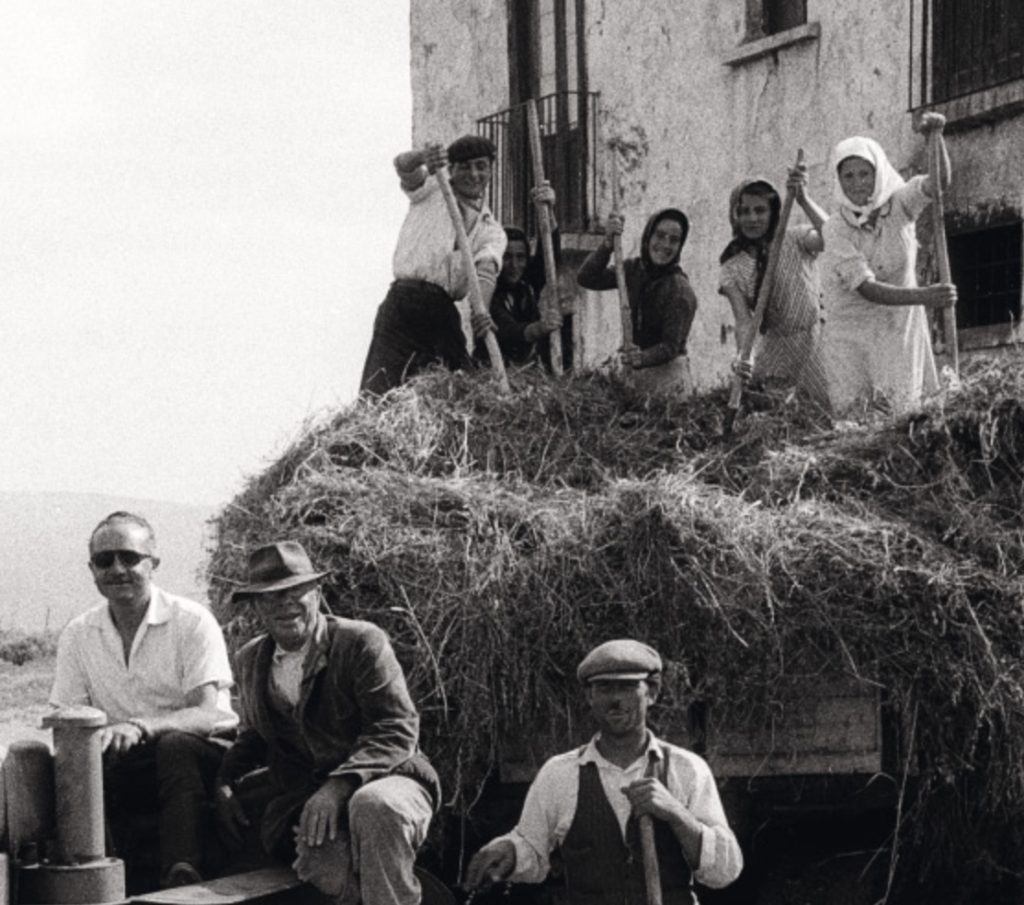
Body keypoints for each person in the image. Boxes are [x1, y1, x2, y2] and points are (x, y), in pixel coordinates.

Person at [214, 540, 440, 905]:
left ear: (316, 593)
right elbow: (255, 734)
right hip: (308, 793)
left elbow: (395, 726)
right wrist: (224, 780)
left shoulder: (360, 641)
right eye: (272, 596)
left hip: (389, 777)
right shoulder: (250, 659)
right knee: (324, 866)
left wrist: (338, 786)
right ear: (256, 606)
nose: (286, 604)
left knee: (374, 806)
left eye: (296, 591)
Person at [464, 639, 743, 905]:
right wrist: (508, 852)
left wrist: (676, 814)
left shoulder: (687, 770)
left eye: (627, 687)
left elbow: (724, 873)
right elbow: (531, 847)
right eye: (605, 688)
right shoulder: (560, 774)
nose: (615, 700)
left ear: (653, 692)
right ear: (589, 696)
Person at [50, 511, 238, 889]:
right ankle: (88, 875)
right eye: (105, 560)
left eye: (129, 557)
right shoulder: (78, 634)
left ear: (153, 564)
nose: (117, 569)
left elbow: (209, 713)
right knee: (53, 760)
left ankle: (181, 873)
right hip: (122, 759)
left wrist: (140, 727)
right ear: (92, 569)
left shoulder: (192, 621)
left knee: (174, 746)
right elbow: (66, 720)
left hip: (199, 754)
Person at [820, 113, 957, 416]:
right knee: (855, 415)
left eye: (864, 173)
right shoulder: (835, 228)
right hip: (851, 330)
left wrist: (935, 137)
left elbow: (937, 185)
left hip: (899, 325)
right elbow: (867, 288)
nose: (858, 183)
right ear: (839, 181)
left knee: (901, 408)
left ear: (878, 173)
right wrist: (926, 296)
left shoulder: (898, 205)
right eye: (849, 176)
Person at [360, 134, 507, 395]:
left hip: (441, 309)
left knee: (461, 387)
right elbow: (403, 166)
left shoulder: (491, 229)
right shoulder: (431, 189)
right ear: (452, 169)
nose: (473, 174)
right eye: (464, 167)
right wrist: (423, 158)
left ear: (490, 169)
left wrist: (479, 312)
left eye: (481, 166)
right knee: (378, 390)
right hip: (403, 302)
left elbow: (486, 270)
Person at [719, 164, 830, 408]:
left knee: (827, 412)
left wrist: (803, 199)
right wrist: (744, 354)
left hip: (817, 341)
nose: (752, 218)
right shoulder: (732, 267)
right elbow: (743, 321)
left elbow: (832, 236)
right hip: (777, 352)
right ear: (734, 216)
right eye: (744, 211)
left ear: (773, 212)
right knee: (784, 418)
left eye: (760, 210)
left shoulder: (795, 239)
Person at [577, 209, 697, 396]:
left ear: (680, 246)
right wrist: (607, 244)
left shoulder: (680, 290)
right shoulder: (633, 270)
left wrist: (641, 358)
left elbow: (670, 346)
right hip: (635, 375)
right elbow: (587, 278)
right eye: (659, 236)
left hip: (668, 381)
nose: (665, 245)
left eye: (674, 240)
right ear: (648, 236)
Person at [472, 184, 576, 371]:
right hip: (491, 370)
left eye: (520, 257)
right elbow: (508, 331)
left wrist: (547, 210)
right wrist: (540, 328)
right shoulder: (487, 288)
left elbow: (549, 253)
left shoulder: (526, 283)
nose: (514, 265)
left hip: (526, 370)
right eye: (507, 257)